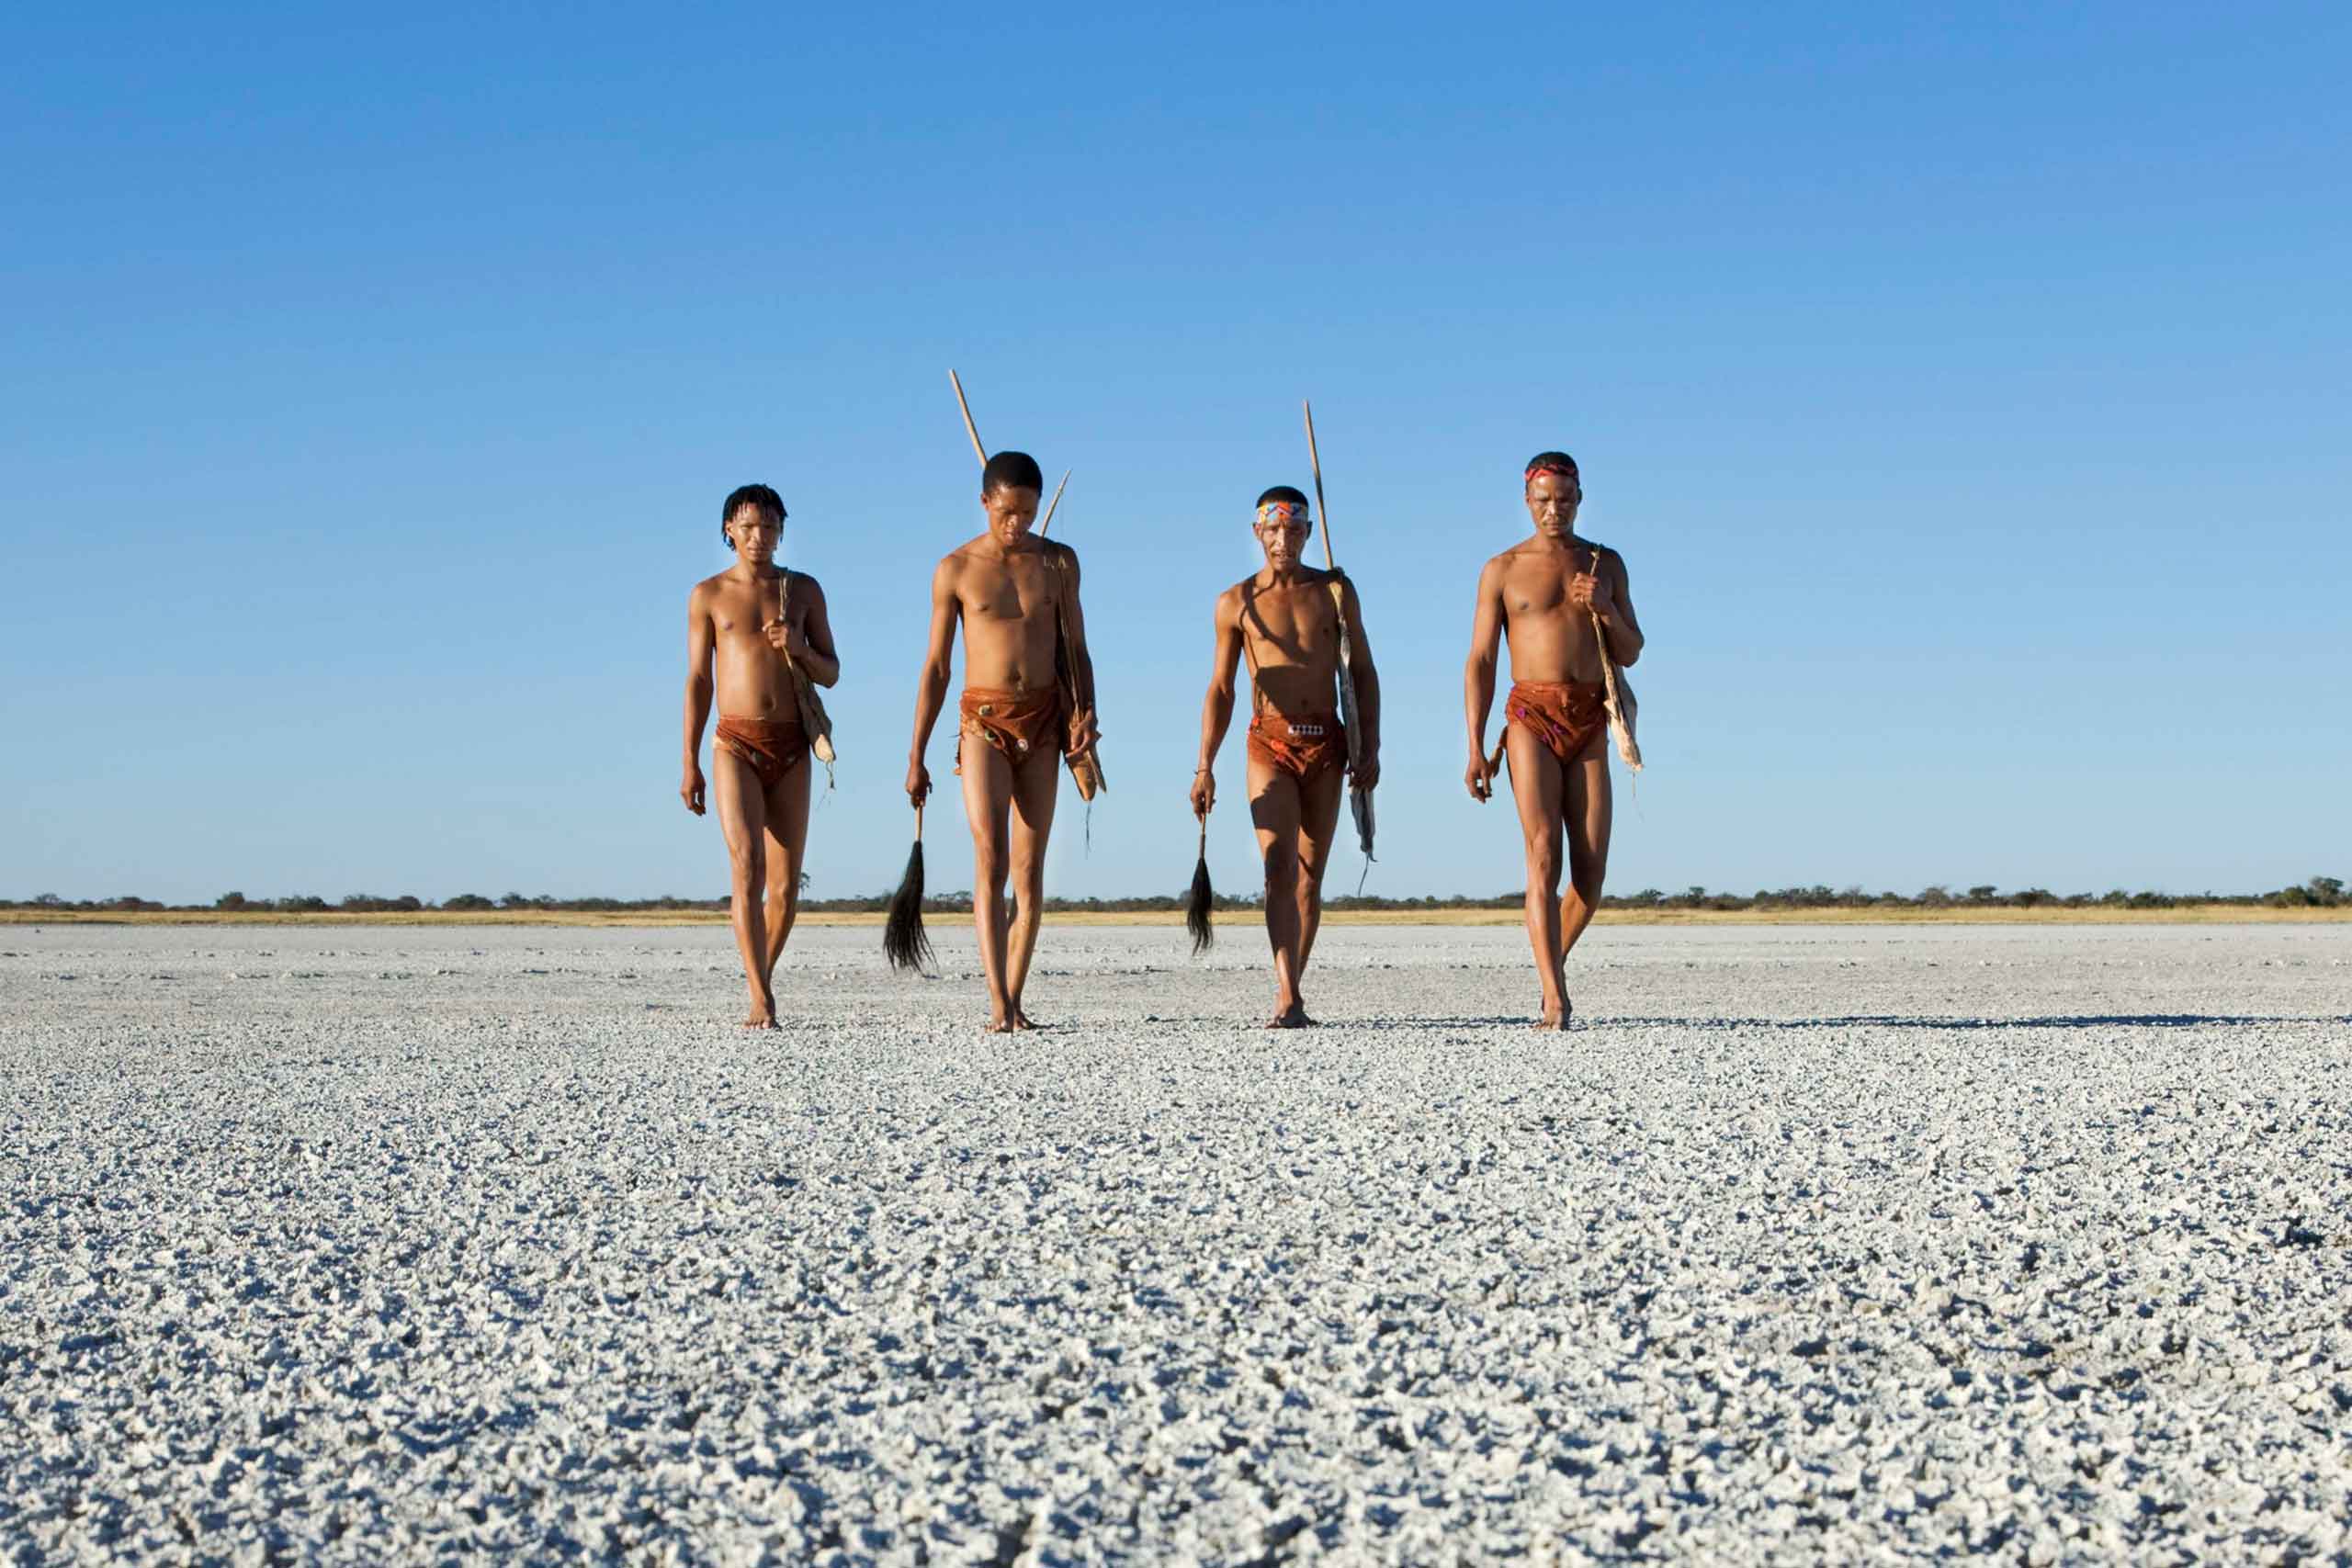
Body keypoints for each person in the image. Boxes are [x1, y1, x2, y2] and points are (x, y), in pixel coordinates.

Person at [905, 451, 1102, 1032]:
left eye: (1028, 512)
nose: (1017, 523)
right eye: (1006, 510)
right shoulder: (956, 568)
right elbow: (937, 667)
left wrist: (1086, 712)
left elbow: (1077, 648)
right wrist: (915, 753)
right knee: (989, 857)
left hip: (1044, 722)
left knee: (1030, 869)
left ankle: (1017, 998)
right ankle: (997, 1001)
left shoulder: (1059, 563)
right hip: (983, 721)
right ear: (985, 501)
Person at [1463, 452, 1645, 1028]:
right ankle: (1554, 996)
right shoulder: (1503, 568)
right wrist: (1474, 745)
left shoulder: (1604, 563)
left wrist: (1606, 607)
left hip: (1590, 716)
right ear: (1526, 500)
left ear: (1580, 498)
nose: (1553, 510)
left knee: (1590, 877)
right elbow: (1482, 659)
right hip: (1530, 717)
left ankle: (1550, 964)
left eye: (1564, 499)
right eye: (1543, 500)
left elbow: (1632, 650)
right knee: (1543, 853)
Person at [1190, 487, 1381, 1027]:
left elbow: (1363, 669)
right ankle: (1287, 995)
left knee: (1309, 877)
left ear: (1307, 533)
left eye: (1293, 531)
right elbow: (1221, 689)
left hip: (1327, 743)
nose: (1282, 541)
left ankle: (1292, 983)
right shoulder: (1236, 602)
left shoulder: (1335, 591)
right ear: (1257, 533)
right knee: (1278, 867)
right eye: (1272, 531)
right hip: (1268, 745)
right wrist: (1205, 764)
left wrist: (1372, 741)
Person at [680, 483, 840, 1028]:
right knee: (745, 863)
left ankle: (758, 978)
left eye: (769, 527)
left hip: (792, 746)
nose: (759, 537)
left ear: (781, 531)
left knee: (785, 887)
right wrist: (690, 761)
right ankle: (761, 1000)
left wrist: (798, 648)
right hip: (734, 743)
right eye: (748, 527)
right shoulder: (708, 595)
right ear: (729, 529)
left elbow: (832, 672)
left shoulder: (804, 591)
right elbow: (699, 680)